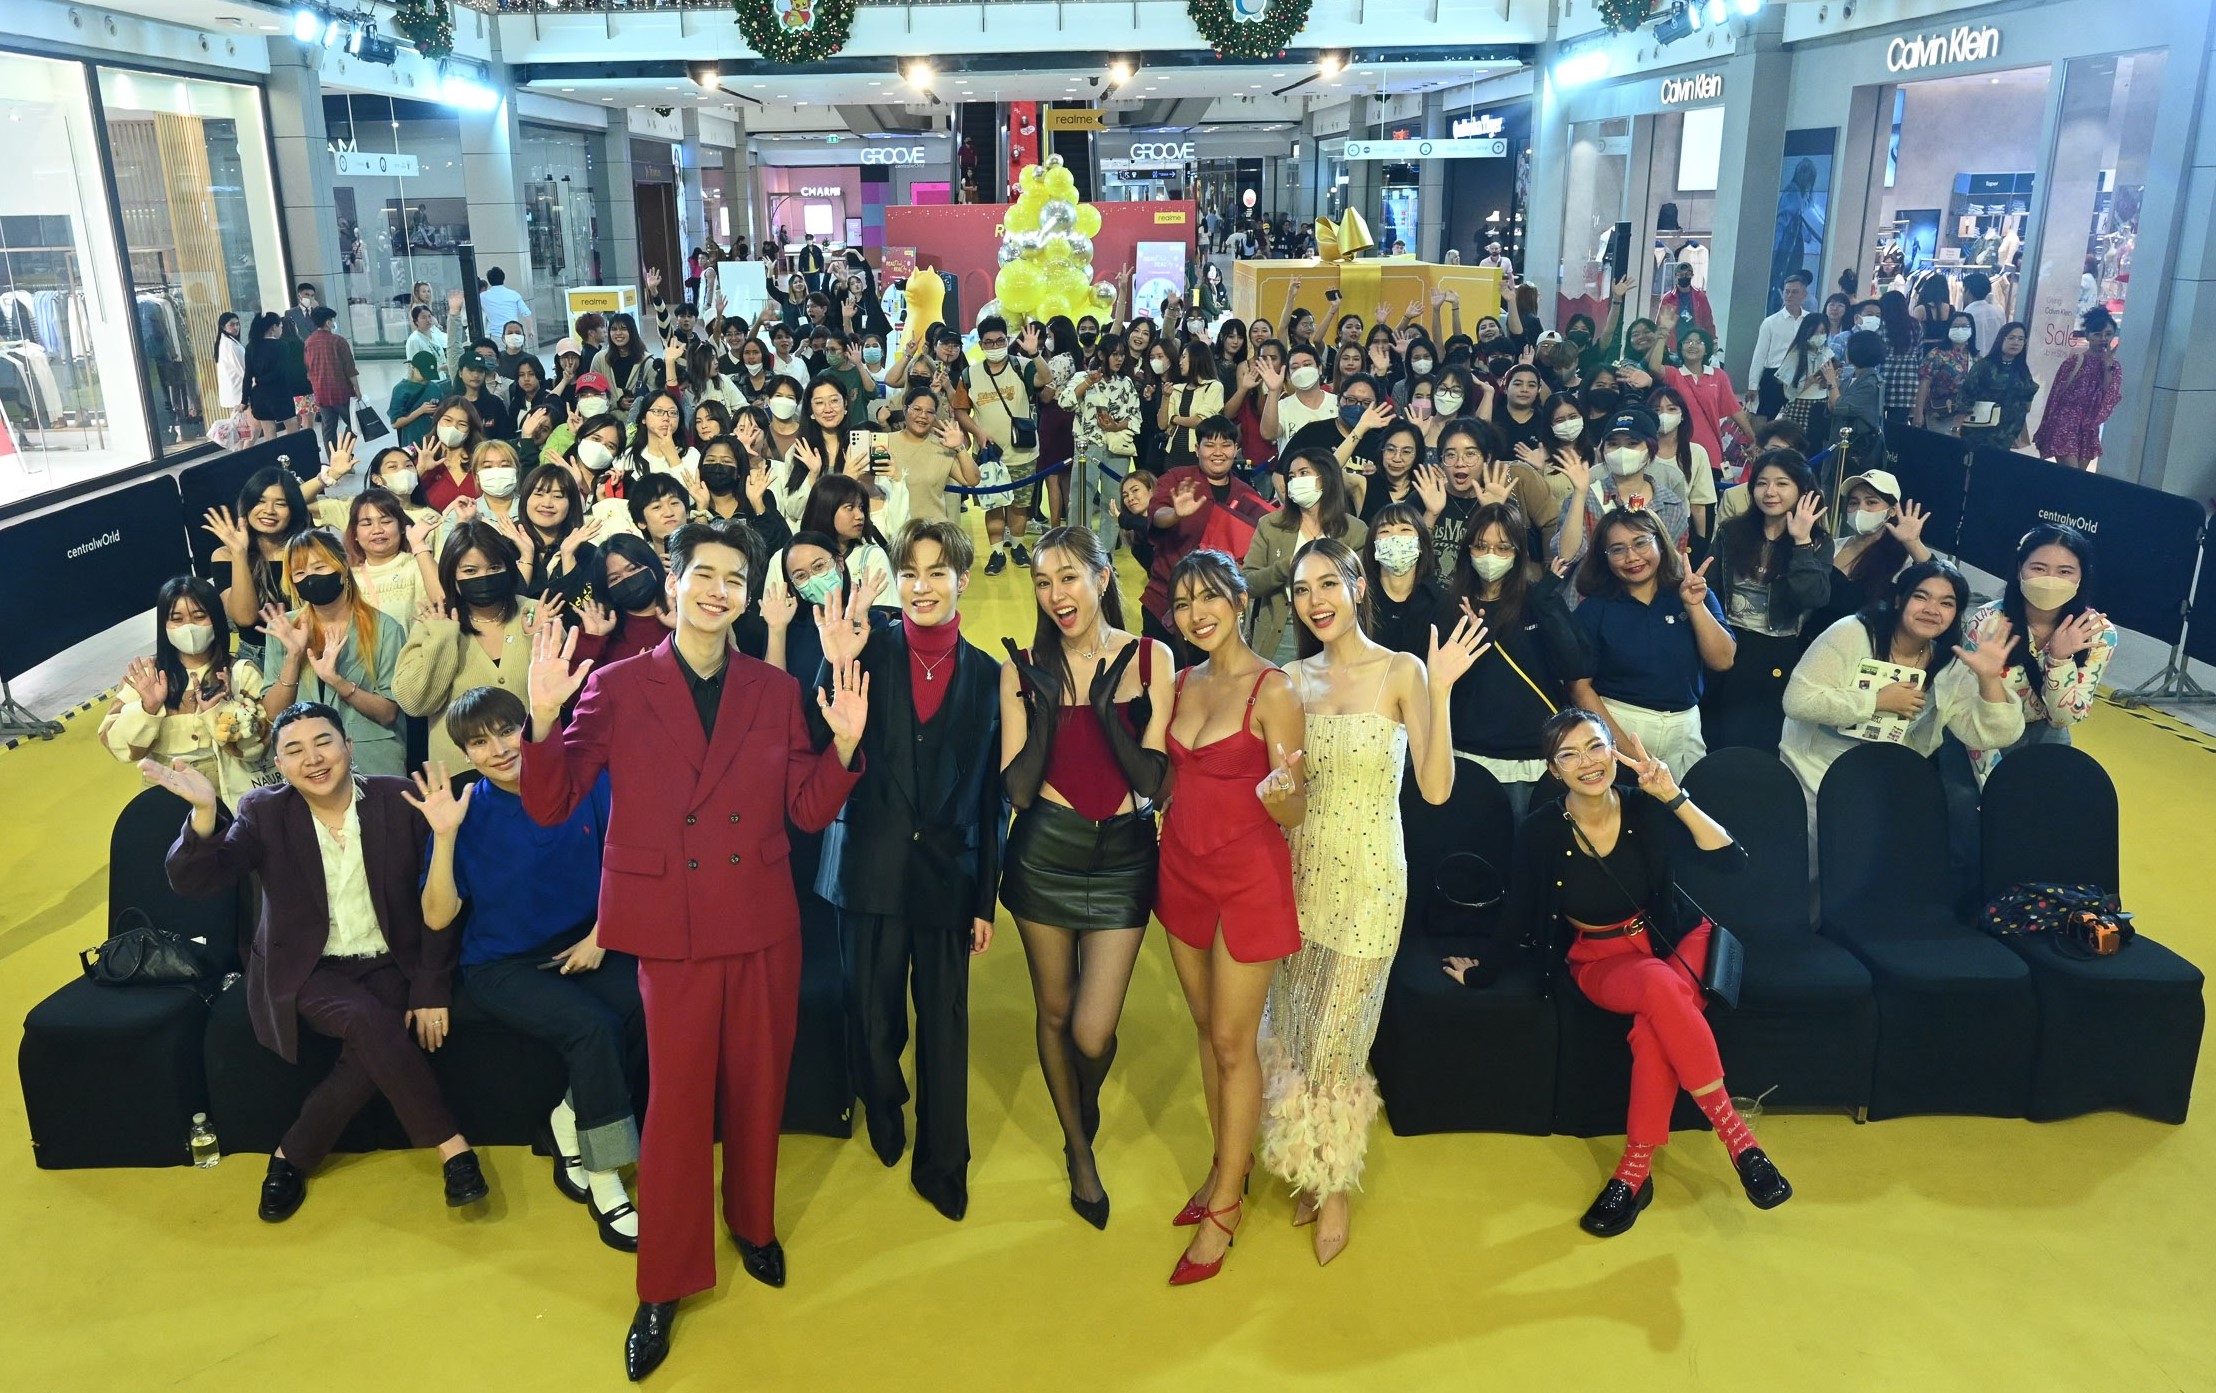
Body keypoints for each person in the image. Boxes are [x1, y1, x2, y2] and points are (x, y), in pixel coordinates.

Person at [521, 517, 870, 1380]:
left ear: (750, 597)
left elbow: (807, 808)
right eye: (703, 573)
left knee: (758, 1086)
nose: (718, 590)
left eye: (734, 579)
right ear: (672, 583)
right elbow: (552, 801)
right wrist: (542, 715)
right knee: (676, 1108)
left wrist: (845, 743)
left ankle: (753, 1223)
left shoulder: (773, 689)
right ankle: (666, 1279)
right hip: (670, 930)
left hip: (760, 920)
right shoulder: (616, 685)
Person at [152, 702, 489, 1223]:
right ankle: (453, 1148)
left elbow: (436, 908)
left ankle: (290, 1156)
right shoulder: (263, 811)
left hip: (389, 961)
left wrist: (430, 988)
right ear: (280, 765)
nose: (312, 758)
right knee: (367, 1020)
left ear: (348, 748)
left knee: (369, 1048)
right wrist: (203, 813)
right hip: (309, 969)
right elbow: (197, 880)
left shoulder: (396, 800)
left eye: (323, 742)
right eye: (294, 750)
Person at [1477, 708, 1790, 1238]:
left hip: (1675, 940)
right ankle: (1739, 1140)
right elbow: (1517, 912)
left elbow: (1731, 860)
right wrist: (1482, 972)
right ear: (1553, 769)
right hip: (1602, 959)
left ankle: (1634, 1172)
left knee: (1653, 1029)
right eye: (1569, 754)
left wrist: (1672, 795)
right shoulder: (1540, 831)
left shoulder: (1645, 807)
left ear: (1613, 750)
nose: (1587, 762)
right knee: (1658, 988)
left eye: (1595, 746)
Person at [1261, 538, 1480, 1265]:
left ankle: (1335, 1186)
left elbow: (1437, 788)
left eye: (1329, 583)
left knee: (1338, 1042)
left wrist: (1441, 691)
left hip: (1371, 883)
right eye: (1301, 589)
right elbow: (1283, 795)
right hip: (1298, 878)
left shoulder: (1402, 670)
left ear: (1359, 586)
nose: (1315, 600)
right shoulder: (1289, 681)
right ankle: (1307, 1163)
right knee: (1295, 1029)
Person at [808, 519, 1001, 1222]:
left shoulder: (990, 676)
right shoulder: (866, 650)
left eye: (937, 571)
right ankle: (884, 1105)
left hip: (949, 874)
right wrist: (832, 662)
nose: (922, 586)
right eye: (910, 573)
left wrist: (985, 897)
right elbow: (819, 736)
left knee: (946, 1025)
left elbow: (992, 797)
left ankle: (945, 1163)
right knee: (871, 1016)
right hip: (870, 866)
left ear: (962, 580)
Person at [412, 687, 643, 1251]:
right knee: (593, 1028)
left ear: (529, 728)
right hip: (501, 964)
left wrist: (602, 932)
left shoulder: (585, 780)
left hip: (584, 942)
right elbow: (438, 915)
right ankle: (605, 1174)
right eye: (478, 742)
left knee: (650, 1003)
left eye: (506, 731)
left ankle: (567, 1118)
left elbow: (628, 860)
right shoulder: (464, 809)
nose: (497, 749)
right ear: (466, 754)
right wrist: (444, 837)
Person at [998, 526, 1176, 1231]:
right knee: (1055, 1012)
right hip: (1044, 853)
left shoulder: (1153, 657)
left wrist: (1106, 713)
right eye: (1043, 582)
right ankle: (1078, 1148)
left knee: (1093, 1032)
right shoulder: (1021, 669)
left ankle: (1081, 1096)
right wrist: (1044, 713)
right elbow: (1016, 791)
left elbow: (1155, 783)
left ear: (1102, 578)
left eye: (1069, 577)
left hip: (1125, 855)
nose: (1056, 594)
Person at [1154, 550, 1306, 1285]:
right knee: (1204, 1028)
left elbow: (1295, 804)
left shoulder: (1274, 689)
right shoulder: (1183, 681)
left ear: (1240, 601)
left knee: (1231, 1040)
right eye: (1184, 602)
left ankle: (1225, 1207)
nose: (1196, 613)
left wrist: (1284, 797)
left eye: (1209, 597)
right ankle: (1228, 1165)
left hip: (1247, 879)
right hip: (1180, 870)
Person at [1781, 561, 2023, 849]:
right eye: (1921, 596)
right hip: (1815, 772)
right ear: (1899, 600)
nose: (1932, 609)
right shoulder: (1853, 632)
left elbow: (1994, 735)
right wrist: (1876, 701)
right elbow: (1798, 701)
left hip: (1885, 780)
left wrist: (1989, 679)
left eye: (1946, 603)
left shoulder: (1947, 662)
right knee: (1818, 858)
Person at [1439, 501, 1588, 820]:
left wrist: (1546, 602)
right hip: (1468, 756)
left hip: (1533, 759)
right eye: (1481, 546)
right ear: (1467, 550)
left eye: (1503, 548)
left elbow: (1575, 665)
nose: (1490, 556)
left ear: (1518, 553)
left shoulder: (1538, 599)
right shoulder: (1450, 606)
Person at [1569, 507, 1735, 775]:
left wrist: (1694, 606)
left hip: (1685, 728)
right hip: (1619, 727)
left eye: (1641, 543)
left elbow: (1723, 660)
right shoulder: (1593, 609)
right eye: (1617, 549)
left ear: (1660, 542)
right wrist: (1628, 752)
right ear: (1604, 557)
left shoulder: (1694, 592)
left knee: (1689, 801)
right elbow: (1579, 689)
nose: (1632, 557)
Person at [1960, 524, 2115, 785]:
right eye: (2039, 568)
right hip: (1984, 728)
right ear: (2019, 569)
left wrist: (2060, 660)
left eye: (2065, 571)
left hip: (2045, 731)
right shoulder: (1987, 622)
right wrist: (1993, 785)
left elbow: (2064, 718)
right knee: (1967, 799)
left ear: (2081, 577)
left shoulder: (2097, 633)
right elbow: (1970, 707)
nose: (2050, 580)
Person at [1700, 449, 1832, 753]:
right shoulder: (1732, 531)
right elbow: (1710, 586)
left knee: (1754, 742)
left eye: (1782, 483)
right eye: (1762, 483)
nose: (1770, 492)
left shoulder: (1818, 542)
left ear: (1802, 490)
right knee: (1711, 733)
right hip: (1727, 640)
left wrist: (1801, 542)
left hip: (1776, 648)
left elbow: (1814, 597)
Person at [101, 576, 270, 809]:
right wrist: (147, 708)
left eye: (199, 617)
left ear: (216, 619)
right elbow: (118, 748)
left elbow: (258, 747)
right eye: (176, 619)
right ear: (163, 625)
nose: (188, 627)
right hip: (163, 784)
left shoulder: (242, 672)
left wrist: (220, 711)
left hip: (231, 783)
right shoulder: (145, 676)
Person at [394, 524, 548, 773]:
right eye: (470, 571)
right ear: (451, 576)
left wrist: (536, 639)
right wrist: (443, 638)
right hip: (460, 776)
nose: (483, 577)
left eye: (494, 567)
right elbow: (415, 703)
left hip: (533, 767)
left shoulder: (534, 612)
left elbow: (560, 694)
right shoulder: (433, 623)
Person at [258, 529, 408, 777]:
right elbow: (274, 713)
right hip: (310, 767)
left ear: (343, 566)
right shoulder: (283, 628)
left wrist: (337, 681)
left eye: (319, 567)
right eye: (300, 573)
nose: (310, 578)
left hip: (373, 763)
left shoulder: (385, 628)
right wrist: (294, 655)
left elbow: (388, 713)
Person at [1144, 417, 1276, 661]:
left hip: (1217, 612)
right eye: (1209, 445)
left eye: (1226, 445)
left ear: (1236, 450)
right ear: (1197, 449)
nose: (1218, 452)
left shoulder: (1247, 493)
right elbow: (1156, 515)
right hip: (1164, 601)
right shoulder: (1177, 479)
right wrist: (1175, 514)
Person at [1243, 448, 1367, 661]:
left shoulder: (1354, 530)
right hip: (1282, 634)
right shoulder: (1270, 525)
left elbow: (1361, 589)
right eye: (1291, 477)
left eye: (1303, 473)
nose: (1295, 481)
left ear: (1325, 478)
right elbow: (1247, 583)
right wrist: (1286, 567)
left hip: (1335, 632)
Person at [202, 465, 314, 668]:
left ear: (293, 510)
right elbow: (244, 618)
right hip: (255, 656)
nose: (269, 511)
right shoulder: (224, 555)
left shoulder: (309, 551)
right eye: (260, 501)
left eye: (280, 503)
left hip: (308, 648)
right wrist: (239, 554)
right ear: (247, 505)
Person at [968, 317, 1040, 565]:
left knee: (1020, 504)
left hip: (1022, 453)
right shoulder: (970, 374)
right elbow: (959, 410)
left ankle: (1018, 547)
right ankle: (997, 552)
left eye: (1000, 341)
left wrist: (1035, 353)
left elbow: (1045, 378)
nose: (995, 346)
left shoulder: (1023, 366)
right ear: (981, 345)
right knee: (993, 505)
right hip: (989, 456)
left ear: (1007, 340)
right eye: (989, 342)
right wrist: (977, 432)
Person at [879, 384, 979, 526]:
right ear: (905, 410)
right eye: (917, 409)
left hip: (933, 530)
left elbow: (972, 480)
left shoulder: (942, 447)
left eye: (930, 412)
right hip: (895, 530)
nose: (923, 416)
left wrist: (959, 447)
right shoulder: (886, 443)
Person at [2034, 309, 2122, 469]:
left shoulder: (2113, 366)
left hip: (2088, 427)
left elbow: (2109, 396)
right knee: (2072, 474)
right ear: (2087, 336)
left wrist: (2107, 367)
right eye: (2097, 334)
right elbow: (2055, 396)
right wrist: (2046, 427)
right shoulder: (2074, 361)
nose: (2103, 339)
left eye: (2108, 334)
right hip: (2065, 422)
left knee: (2078, 478)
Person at [1361, 502, 1443, 657]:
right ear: (1374, 545)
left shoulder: (1440, 602)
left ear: (1420, 544)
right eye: (1384, 531)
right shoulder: (1359, 598)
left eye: (1405, 529)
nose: (1394, 537)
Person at [1958, 321, 2040, 453]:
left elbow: (2028, 396)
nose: (2016, 342)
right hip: (1979, 433)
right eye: (2011, 338)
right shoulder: (1984, 366)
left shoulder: (2022, 370)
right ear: (2001, 339)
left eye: (2021, 339)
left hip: (2006, 437)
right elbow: (1965, 396)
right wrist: (1956, 428)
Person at [1747, 268, 1811, 419]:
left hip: (1800, 375)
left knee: (1795, 420)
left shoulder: (1810, 321)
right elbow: (1760, 355)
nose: (1789, 295)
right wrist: (1753, 385)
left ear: (1804, 295)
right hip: (1774, 375)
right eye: (1787, 291)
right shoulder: (1770, 322)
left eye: (1794, 292)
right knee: (1764, 419)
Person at [1913, 311, 1979, 434]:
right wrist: (1918, 412)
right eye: (1955, 326)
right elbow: (1924, 383)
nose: (1960, 330)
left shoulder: (1976, 357)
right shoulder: (1937, 354)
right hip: (1940, 413)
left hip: (1967, 416)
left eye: (1964, 326)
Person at [302, 307, 359, 447]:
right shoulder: (338, 341)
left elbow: (308, 367)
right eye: (332, 320)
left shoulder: (308, 342)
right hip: (341, 392)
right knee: (354, 424)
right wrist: (357, 389)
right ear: (328, 322)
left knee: (328, 429)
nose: (334, 323)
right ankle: (344, 452)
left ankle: (333, 457)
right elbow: (350, 369)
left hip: (321, 392)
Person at [478, 267, 534, 348]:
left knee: (499, 355)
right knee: (517, 355)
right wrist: (530, 330)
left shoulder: (482, 297)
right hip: (514, 334)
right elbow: (526, 313)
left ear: (489, 281)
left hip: (496, 335)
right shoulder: (514, 294)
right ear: (503, 278)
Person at [1961, 270, 2006, 354]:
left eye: (1963, 290)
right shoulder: (1999, 310)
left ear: (1968, 291)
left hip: (1973, 357)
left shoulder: (1968, 312)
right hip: (1994, 357)